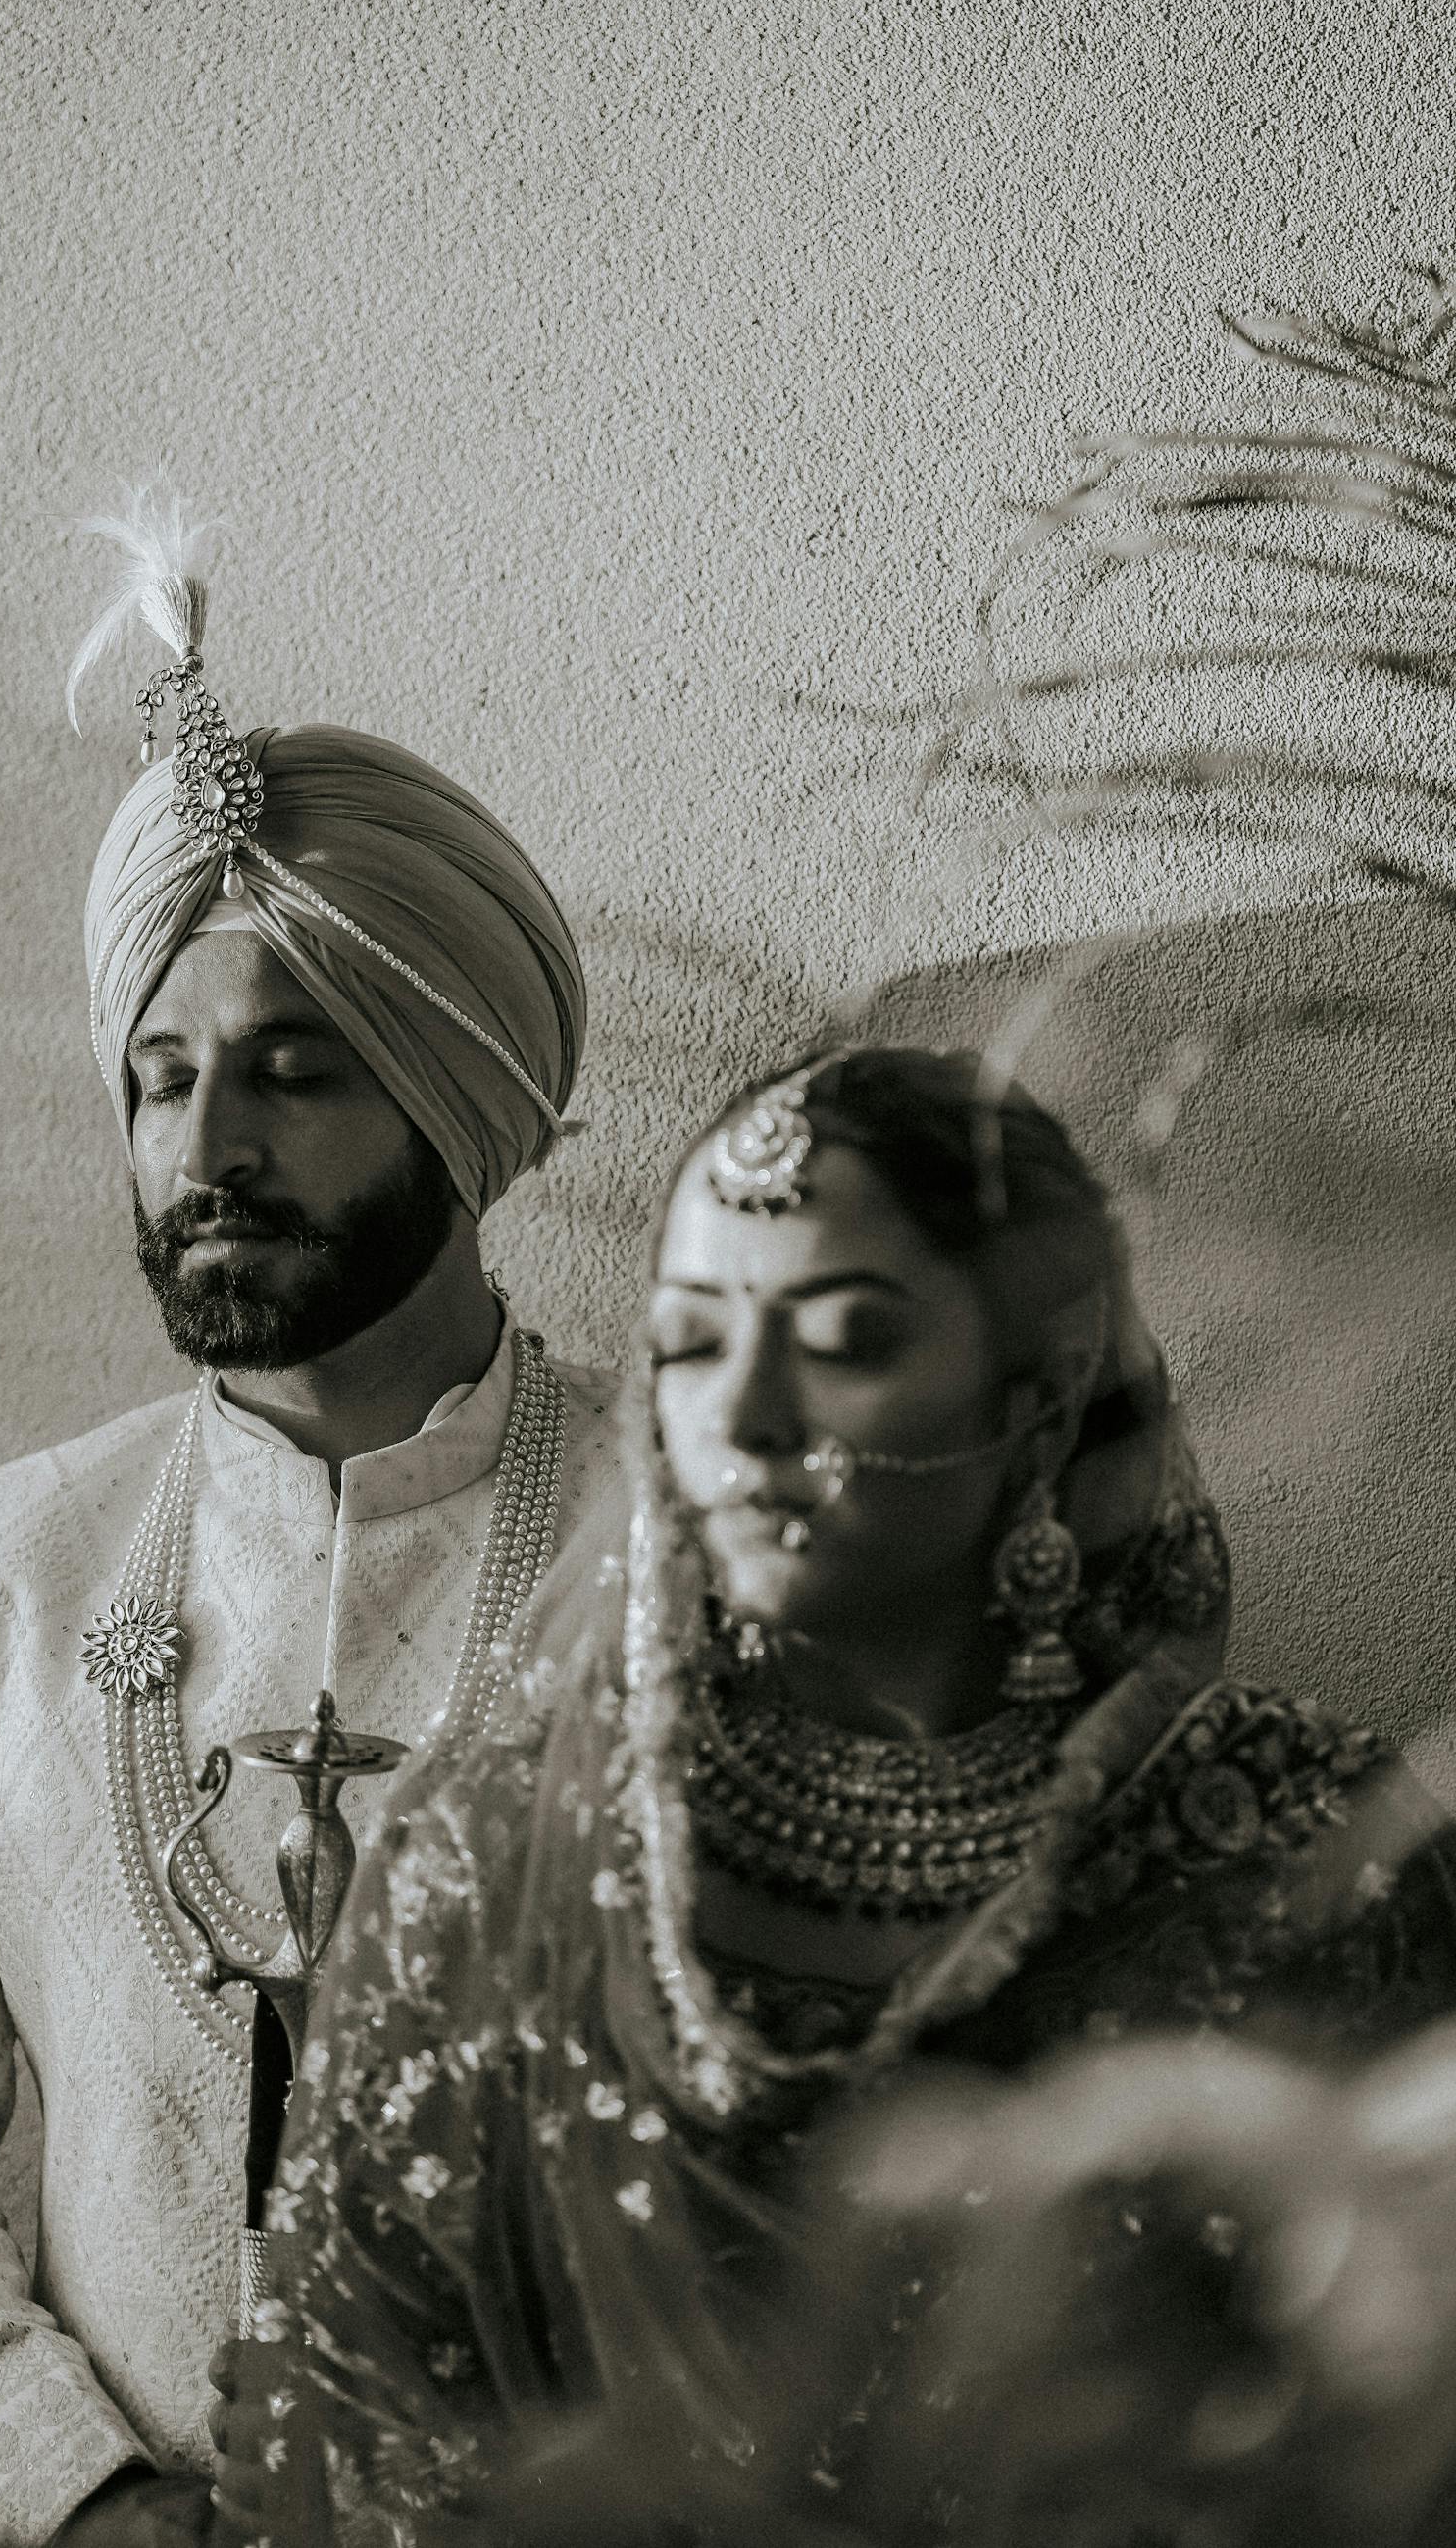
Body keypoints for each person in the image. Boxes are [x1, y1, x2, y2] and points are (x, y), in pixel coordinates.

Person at [212, 1043, 1456, 2546]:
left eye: (846, 1336)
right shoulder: (491, 1862)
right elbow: (351, 2425)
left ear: (1041, 1391)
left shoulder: (1317, 1850)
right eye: (690, 1343)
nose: (742, 1414)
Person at [0, 493, 615, 2548]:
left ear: (458, 1099)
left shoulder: (715, 1537)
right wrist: (75, 2493)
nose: (204, 1147)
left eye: (292, 1070)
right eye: (157, 1079)